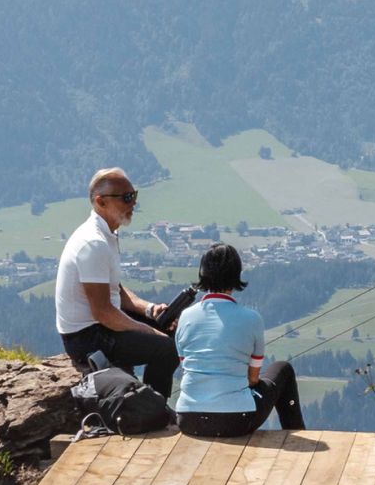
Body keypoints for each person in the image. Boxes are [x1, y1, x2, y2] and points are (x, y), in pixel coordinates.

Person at [55, 167, 179, 397]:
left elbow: (115, 290)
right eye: (126, 198)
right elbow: (103, 312)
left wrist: (150, 311)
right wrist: (149, 332)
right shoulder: (93, 243)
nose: (133, 203)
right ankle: (156, 407)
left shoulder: (105, 235)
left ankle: (150, 398)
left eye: (134, 195)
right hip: (86, 338)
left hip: (96, 326)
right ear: (100, 202)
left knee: (169, 326)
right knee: (167, 349)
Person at [172, 243, 306, 438]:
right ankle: (296, 434)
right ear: (236, 274)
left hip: (187, 418)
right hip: (235, 420)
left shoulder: (185, 316)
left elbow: (186, 366)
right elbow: (252, 379)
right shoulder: (251, 318)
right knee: (282, 369)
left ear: (203, 273)